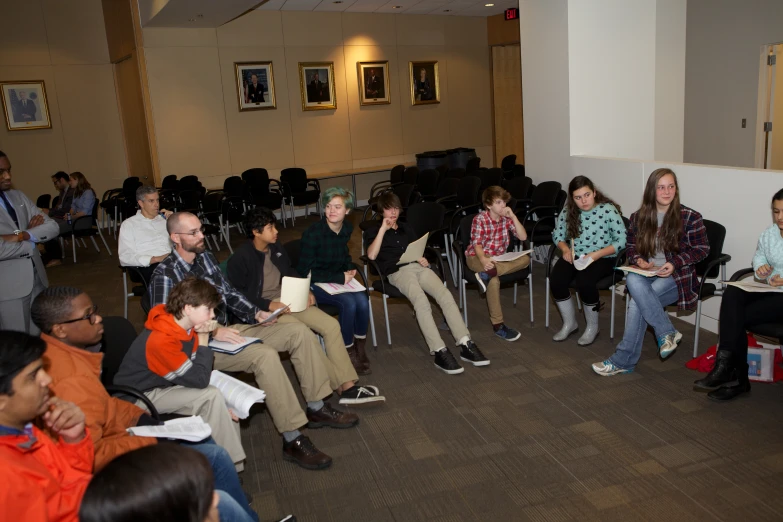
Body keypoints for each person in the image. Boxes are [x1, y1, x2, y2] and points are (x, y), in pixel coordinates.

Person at [30, 286, 260, 522]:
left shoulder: (65, 356)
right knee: (214, 457)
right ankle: (226, 504)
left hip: (129, 420)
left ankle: (223, 498)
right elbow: (92, 455)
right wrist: (153, 438)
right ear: (59, 329)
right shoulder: (70, 379)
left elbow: (106, 404)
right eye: (89, 315)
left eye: (95, 310)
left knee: (208, 444)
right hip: (112, 460)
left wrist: (148, 422)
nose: (98, 318)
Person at [149, 211, 359, 470]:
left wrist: (255, 312)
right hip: (197, 345)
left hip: (229, 328)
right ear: (175, 238)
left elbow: (228, 292)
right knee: (265, 356)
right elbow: (165, 328)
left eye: (201, 229)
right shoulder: (165, 275)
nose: (202, 236)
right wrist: (213, 331)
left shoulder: (204, 257)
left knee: (299, 333)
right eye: (193, 233)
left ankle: (316, 406)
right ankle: (292, 438)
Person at [228, 206, 385, 404]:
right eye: (270, 228)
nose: (276, 231)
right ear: (256, 232)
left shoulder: (276, 248)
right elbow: (238, 295)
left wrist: (306, 290)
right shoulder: (241, 258)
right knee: (306, 335)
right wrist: (269, 304)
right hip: (266, 311)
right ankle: (344, 387)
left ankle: (347, 384)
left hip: (288, 298)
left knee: (330, 326)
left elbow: (290, 270)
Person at [114, 278, 246, 465]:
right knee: (212, 396)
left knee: (217, 398)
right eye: (208, 310)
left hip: (162, 384)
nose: (212, 316)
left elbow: (195, 372)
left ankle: (229, 467)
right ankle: (229, 466)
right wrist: (203, 339)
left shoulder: (184, 325)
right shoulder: (161, 340)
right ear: (188, 308)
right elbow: (199, 380)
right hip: (137, 398)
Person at [592, 168, 709, 376]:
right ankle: (667, 332)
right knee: (634, 280)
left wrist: (674, 263)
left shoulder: (690, 217)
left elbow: (702, 250)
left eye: (671, 186)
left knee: (637, 301)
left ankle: (623, 360)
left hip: (676, 277)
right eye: (661, 187)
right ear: (651, 191)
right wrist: (638, 260)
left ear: (676, 189)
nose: (666, 192)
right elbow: (630, 246)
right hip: (647, 274)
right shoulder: (639, 217)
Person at [366, 192, 488, 374]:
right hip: (397, 272)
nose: (393, 212)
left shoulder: (407, 228)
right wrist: (383, 229)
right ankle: (439, 350)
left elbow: (417, 248)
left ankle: (465, 343)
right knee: (421, 302)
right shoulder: (374, 231)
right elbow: (371, 256)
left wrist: (422, 259)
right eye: (389, 209)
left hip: (417, 267)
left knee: (445, 294)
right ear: (381, 210)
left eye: (396, 208)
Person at [693, 188, 783, 401]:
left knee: (735, 318)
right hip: (772, 291)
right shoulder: (770, 234)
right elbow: (759, 257)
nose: (780, 217)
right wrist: (761, 269)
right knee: (733, 292)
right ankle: (726, 366)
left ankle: (734, 374)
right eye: (776, 211)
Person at [0, 330, 93, 522]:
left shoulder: (22, 429)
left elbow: (66, 489)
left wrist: (73, 440)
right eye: (33, 376)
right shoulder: (6, 478)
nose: (48, 380)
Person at [296, 188, 374, 376]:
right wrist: (339, 277)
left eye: (337, 207)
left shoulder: (346, 228)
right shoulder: (313, 234)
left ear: (347, 211)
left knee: (363, 300)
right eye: (328, 206)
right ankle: (346, 351)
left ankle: (359, 346)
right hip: (314, 283)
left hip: (335, 279)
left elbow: (342, 255)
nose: (331, 211)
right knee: (348, 303)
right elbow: (304, 271)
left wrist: (348, 266)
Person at [549, 176, 626, 346]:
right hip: (576, 255)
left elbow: (621, 241)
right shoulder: (569, 210)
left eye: (587, 195)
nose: (583, 201)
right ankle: (570, 323)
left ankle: (593, 326)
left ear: (594, 193)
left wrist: (596, 255)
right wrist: (565, 249)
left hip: (604, 257)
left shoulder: (607, 209)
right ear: (572, 198)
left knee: (585, 282)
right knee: (556, 281)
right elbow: (557, 235)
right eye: (578, 197)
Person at [0, 150, 60, 334]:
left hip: (37, 277)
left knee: (41, 338)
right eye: (1, 172)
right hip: (9, 287)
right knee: (17, 345)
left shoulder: (17, 196)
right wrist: (32, 241)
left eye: (9, 170)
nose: (8, 176)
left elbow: (52, 226)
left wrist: (22, 234)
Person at [465, 185, 530, 341]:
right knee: (493, 281)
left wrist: (513, 217)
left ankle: (487, 274)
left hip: (499, 259)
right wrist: (484, 260)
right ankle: (498, 325)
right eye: (499, 202)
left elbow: (522, 237)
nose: (503, 206)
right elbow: (477, 244)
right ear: (488, 205)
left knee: (526, 259)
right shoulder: (479, 219)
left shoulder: (507, 219)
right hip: (476, 257)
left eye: (504, 202)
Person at [118, 185, 173, 282]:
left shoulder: (165, 219)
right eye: (151, 201)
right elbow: (125, 257)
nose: (156, 205)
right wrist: (155, 259)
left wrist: (175, 221)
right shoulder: (129, 225)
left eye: (157, 200)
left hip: (171, 260)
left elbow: (182, 242)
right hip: (146, 266)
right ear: (141, 203)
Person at [43, 171, 97, 264]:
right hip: (75, 219)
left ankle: (56, 258)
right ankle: (51, 254)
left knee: (53, 228)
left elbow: (84, 212)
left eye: (71, 180)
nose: (70, 182)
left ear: (77, 180)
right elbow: (73, 208)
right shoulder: (76, 192)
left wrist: (71, 217)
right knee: (50, 224)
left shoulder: (88, 192)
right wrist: (69, 215)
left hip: (83, 221)